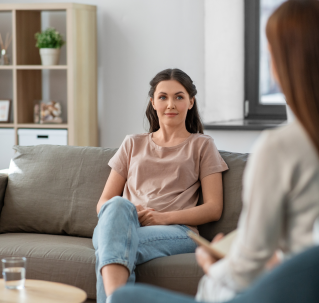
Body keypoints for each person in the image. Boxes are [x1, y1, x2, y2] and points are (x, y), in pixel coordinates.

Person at [110, 1, 319, 302]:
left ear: (280, 64)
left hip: (288, 293)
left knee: (125, 298)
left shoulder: (279, 148)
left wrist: (214, 265)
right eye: (162, 97)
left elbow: (246, 267)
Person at [93, 68, 229, 303]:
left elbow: (214, 207)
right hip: (124, 224)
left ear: (191, 101)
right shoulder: (132, 143)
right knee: (116, 207)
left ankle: (114, 298)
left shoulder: (202, 145)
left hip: (177, 231)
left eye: (179, 96)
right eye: (163, 97)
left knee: (112, 248)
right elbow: (103, 204)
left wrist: (161, 217)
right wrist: (133, 213)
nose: (171, 104)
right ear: (153, 103)